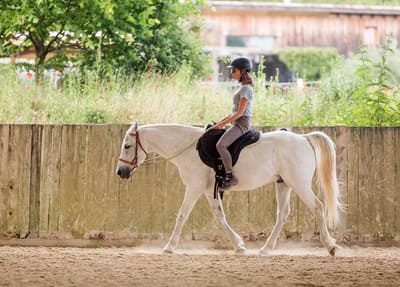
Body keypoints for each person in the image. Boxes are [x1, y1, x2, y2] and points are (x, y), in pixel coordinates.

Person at [212, 56, 254, 189]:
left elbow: (240, 113)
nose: (232, 73)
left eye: (234, 70)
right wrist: (221, 121)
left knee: (221, 145)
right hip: (236, 122)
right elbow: (234, 111)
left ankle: (230, 176)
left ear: (243, 71)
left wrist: (223, 124)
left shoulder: (246, 89)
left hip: (241, 123)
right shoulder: (242, 88)